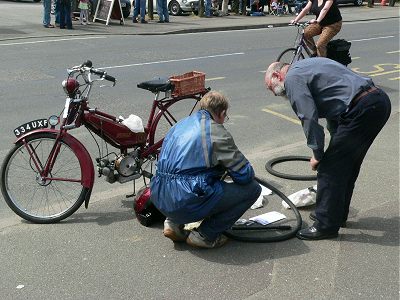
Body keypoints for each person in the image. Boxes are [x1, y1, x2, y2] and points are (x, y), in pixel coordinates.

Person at [264, 59, 391, 240]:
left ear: (277, 75)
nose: (276, 93)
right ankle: (335, 215)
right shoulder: (307, 66)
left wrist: (317, 154)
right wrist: (332, 144)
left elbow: (308, 118)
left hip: (362, 108)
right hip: (376, 102)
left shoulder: (292, 78)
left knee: (329, 168)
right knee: (347, 165)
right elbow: (334, 108)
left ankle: (325, 226)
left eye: (271, 88)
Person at [150, 91, 261, 249]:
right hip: (185, 200)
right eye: (225, 116)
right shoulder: (215, 131)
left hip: (159, 195)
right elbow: (244, 176)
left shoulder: (179, 125)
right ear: (222, 113)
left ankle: (172, 223)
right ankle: (205, 235)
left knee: (184, 179)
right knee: (252, 190)